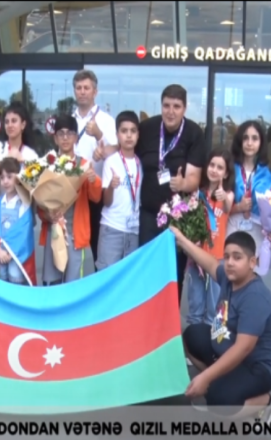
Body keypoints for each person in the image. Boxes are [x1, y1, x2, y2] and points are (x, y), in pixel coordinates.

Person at [97, 84, 206, 304]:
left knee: (173, 271)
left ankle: (169, 324)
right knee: (145, 270)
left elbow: (194, 178)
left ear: (185, 108)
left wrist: (183, 183)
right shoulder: (147, 128)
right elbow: (126, 145)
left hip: (178, 217)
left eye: (176, 106)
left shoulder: (194, 133)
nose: (171, 111)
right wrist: (105, 150)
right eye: (166, 105)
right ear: (161, 105)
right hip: (146, 216)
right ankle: (146, 323)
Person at [176, 228, 271, 420]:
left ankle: (269, 400)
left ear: (252, 262)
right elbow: (208, 262)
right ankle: (221, 380)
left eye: (237, 257)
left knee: (218, 401)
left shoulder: (255, 297)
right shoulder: (228, 277)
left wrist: (205, 378)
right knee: (192, 336)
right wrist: (182, 239)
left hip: (259, 366)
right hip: (231, 350)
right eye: (226, 257)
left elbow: (244, 348)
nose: (230, 263)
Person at [39, 115, 101, 285]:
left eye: (69, 133)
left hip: (75, 234)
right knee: (52, 284)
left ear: (76, 137)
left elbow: (96, 197)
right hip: (54, 231)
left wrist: (92, 179)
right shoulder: (47, 164)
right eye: (61, 133)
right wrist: (46, 216)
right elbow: (38, 200)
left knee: (73, 285)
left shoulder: (84, 164)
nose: (65, 137)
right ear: (55, 138)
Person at [71, 69, 118, 265]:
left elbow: (117, 151)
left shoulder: (107, 120)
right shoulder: (69, 120)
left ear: (95, 92)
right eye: (79, 88)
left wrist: (99, 135)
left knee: (97, 250)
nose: (82, 92)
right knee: (72, 248)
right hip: (72, 194)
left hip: (96, 193)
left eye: (86, 88)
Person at [185, 149, 234, 326]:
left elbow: (228, 207)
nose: (214, 169)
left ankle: (211, 348)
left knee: (215, 310)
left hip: (217, 260)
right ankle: (192, 349)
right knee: (195, 307)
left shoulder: (227, 194)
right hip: (196, 258)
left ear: (226, 173)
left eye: (220, 167)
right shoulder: (197, 194)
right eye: (212, 165)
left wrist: (223, 197)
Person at [96, 110, 142, 271]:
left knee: (128, 280)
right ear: (117, 135)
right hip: (112, 228)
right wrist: (111, 187)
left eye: (133, 131)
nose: (128, 135)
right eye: (124, 131)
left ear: (138, 135)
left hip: (133, 230)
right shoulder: (111, 162)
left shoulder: (140, 164)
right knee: (107, 277)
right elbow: (107, 202)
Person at [227, 121, 271, 255]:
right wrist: (238, 207)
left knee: (253, 273)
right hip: (232, 229)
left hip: (257, 233)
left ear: (261, 143)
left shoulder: (267, 174)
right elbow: (217, 206)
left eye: (255, 138)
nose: (249, 143)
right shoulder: (230, 169)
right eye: (245, 138)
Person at [0, 157, 36, 285]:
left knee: (15, 277)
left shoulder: (24, 204)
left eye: (9, 177)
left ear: (18, 177)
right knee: (1, 280)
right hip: (0, 252)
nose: (5, 181)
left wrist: (11, 251)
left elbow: (24, 233)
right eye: (2, 178)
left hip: (17, 255)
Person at [0, 102, 39, 173]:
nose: (10, 125)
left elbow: (35, 181)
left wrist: (22, 160)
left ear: (23, 125)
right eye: (7, 122)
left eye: (14, 121)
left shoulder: (31, 154)